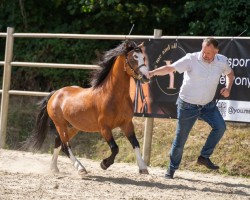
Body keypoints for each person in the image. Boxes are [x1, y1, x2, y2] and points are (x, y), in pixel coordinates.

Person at [148, 37, 234, 179]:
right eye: (203, 51)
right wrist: (152, 73)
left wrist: (228, 87)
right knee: (180, 140)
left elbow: (230, 74)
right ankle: (171, 169)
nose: (204, 55)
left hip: (207, 105)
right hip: (187, 105)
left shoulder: (222, 61)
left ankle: (204, 156)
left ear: (216, 51)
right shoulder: (191, 59)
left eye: (208, 53)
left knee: (220, 127)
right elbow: (170, 68)